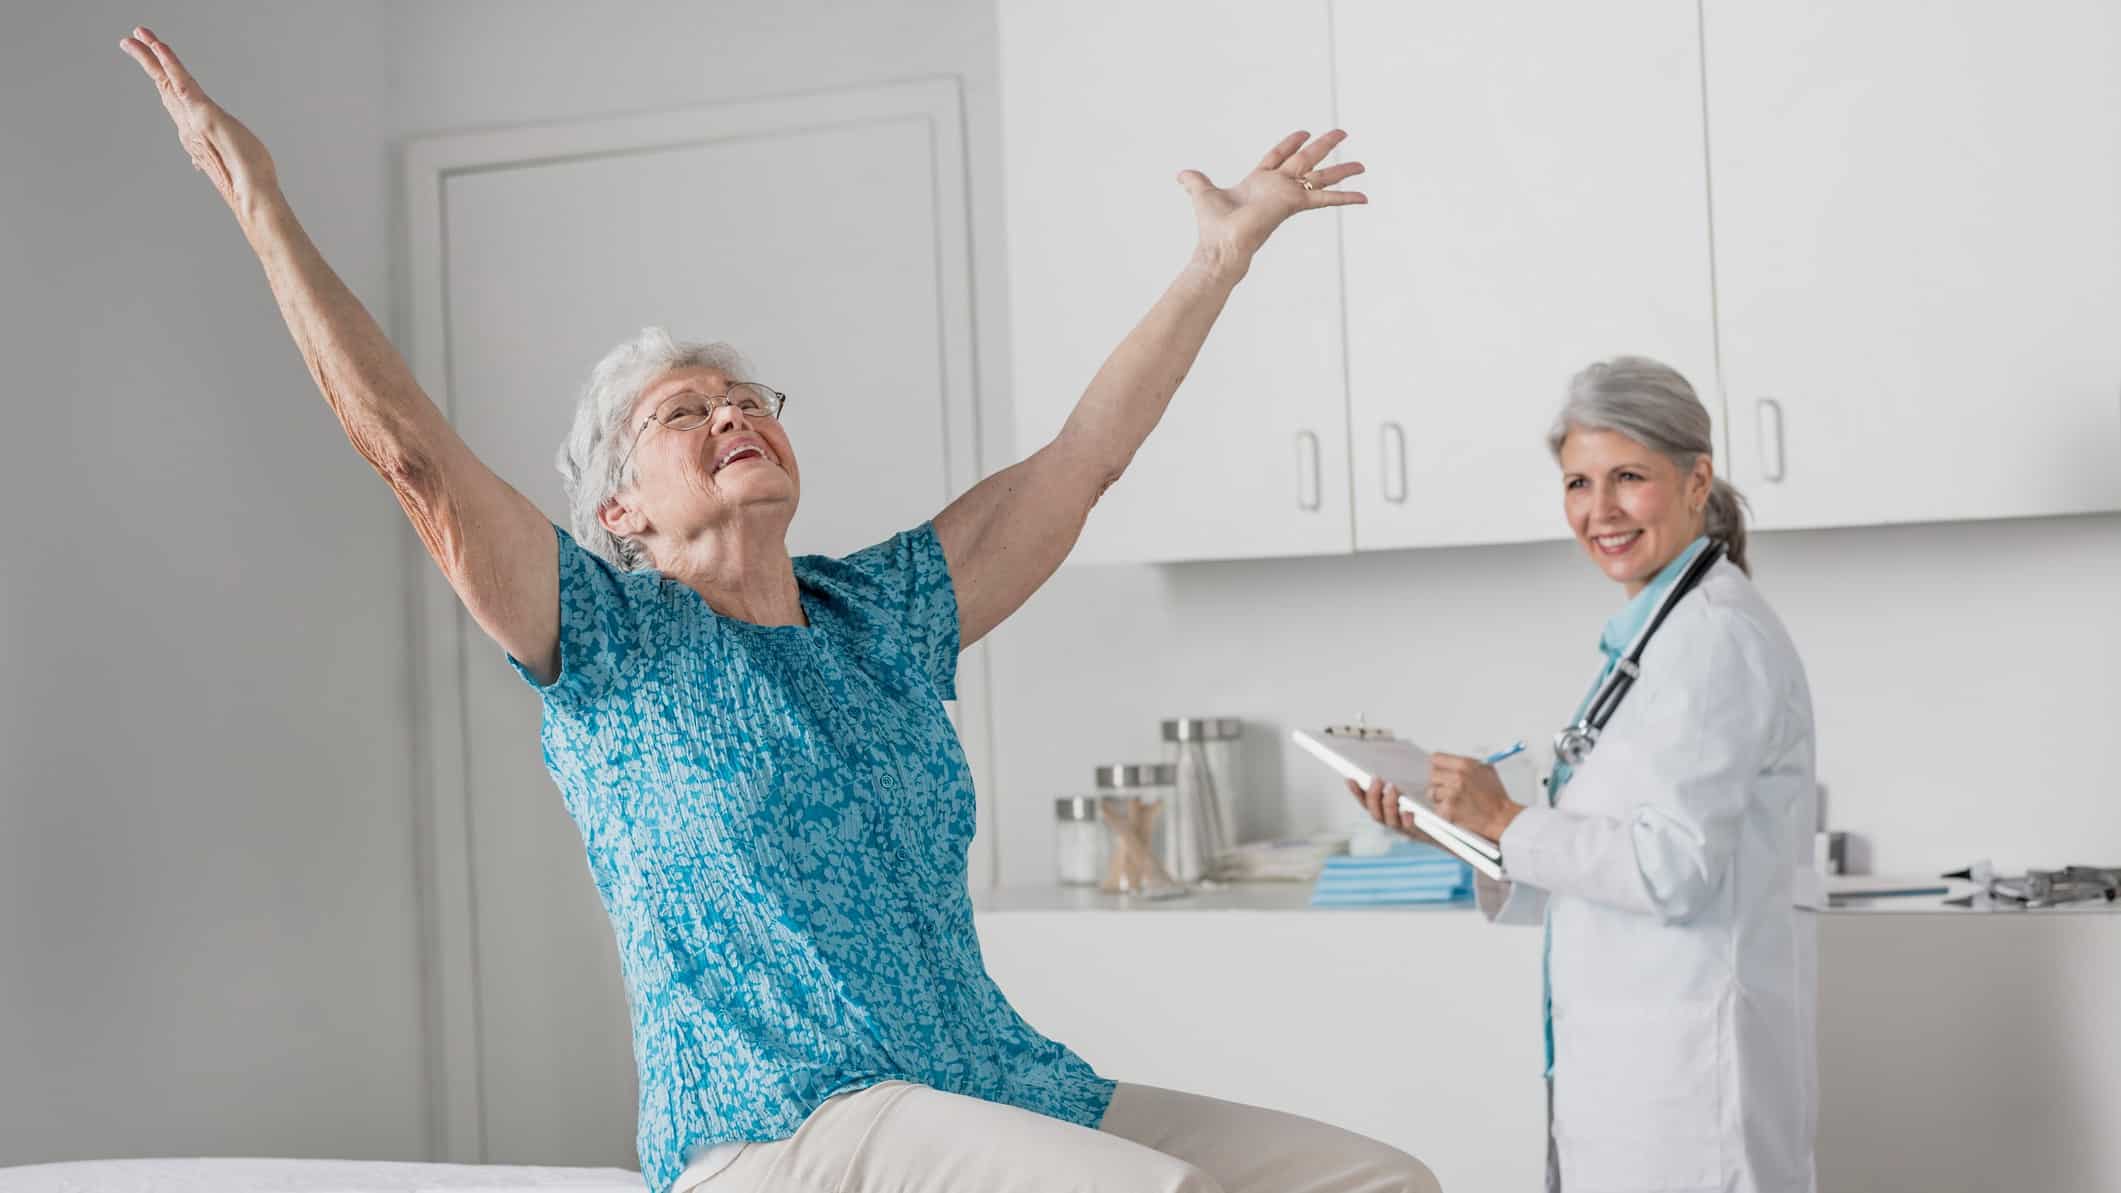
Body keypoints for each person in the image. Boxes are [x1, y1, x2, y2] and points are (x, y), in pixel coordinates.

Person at [121, 25, 1439, 1193]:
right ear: (618, 513)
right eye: (680, 414)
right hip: (782, 1136)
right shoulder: (606, 643)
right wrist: (262, 203)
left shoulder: (881, 615)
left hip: (989, 1088)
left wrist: (1217, 257)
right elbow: (410, 456)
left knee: (1376, 1177)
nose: (730, 416)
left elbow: (1079, 460)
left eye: (744, 400)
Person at [1351, 358, 1819, 1193]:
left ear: (1694, 479)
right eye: (1577, 482)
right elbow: (1600, 862)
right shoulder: (1655, 634)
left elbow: (1670, 868)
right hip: (1625, 1061)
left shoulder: (1712, 638)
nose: (1597, 510)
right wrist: (1452, 828)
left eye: (1627, 477)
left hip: (1686, 1072)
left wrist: (1504, 820)